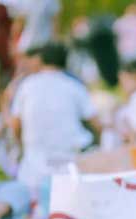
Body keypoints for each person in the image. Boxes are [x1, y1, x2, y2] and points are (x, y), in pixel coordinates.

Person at [9, 42, 100, 196]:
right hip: (69, 168)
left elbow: (15, 124)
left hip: (33, 170)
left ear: (41, 60)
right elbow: (96, 123)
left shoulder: (26, 86)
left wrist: (21, 147)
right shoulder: (74, 86)